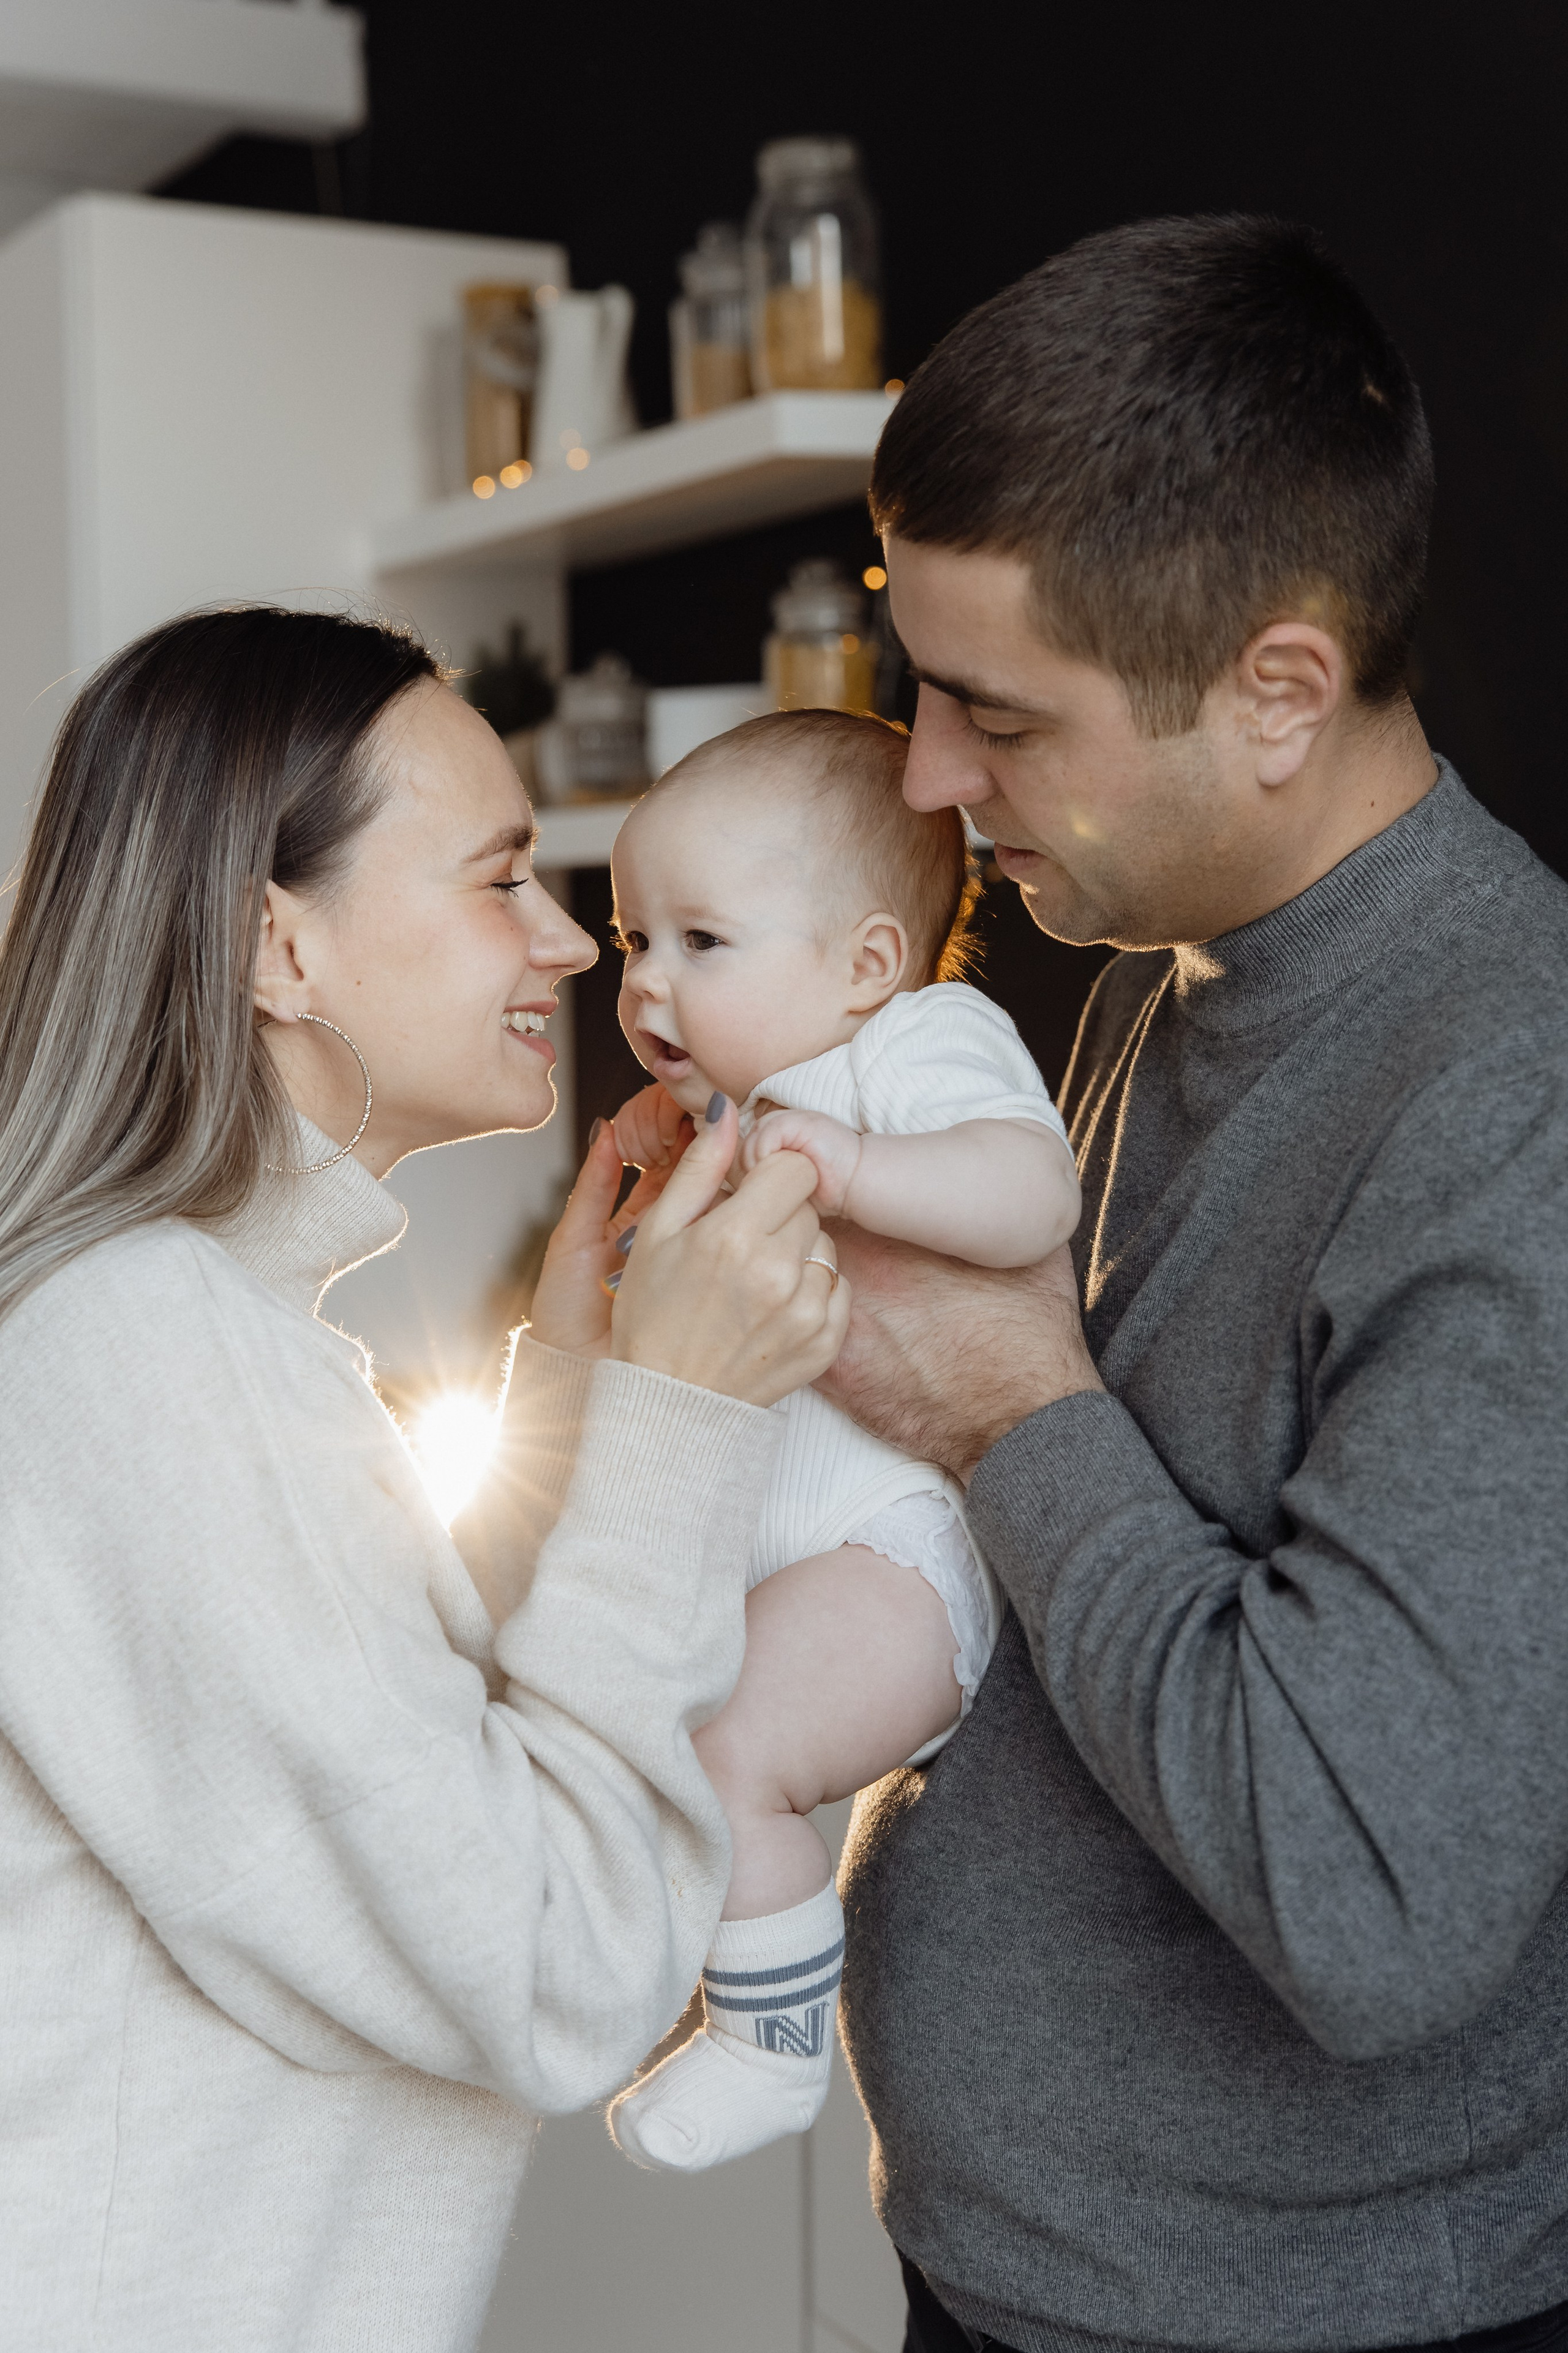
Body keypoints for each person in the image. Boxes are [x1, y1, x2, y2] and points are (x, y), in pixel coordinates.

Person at [815, 216, 1568, 2352]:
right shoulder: (1183, 964)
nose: (927, 780)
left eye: (995, 716)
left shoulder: (1515, 1095)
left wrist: (1008, 1410)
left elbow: (1375, 1891)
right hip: (1041, 2278)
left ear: (1278, 693)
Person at [0, 605, 848, 2353]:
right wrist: (682, 1430)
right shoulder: (141, 1348)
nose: (564, 942)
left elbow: (377, 1773)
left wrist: (578, 1400)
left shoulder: (182, 1329)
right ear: (275, 948)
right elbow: (543, 1959)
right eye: (501, 878)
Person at [594, 708, 1078, 2172]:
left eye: (699, 942)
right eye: (630, 940)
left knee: (723, 1744)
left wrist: (858, 1167)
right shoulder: (741, 1110)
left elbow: (1026, 1196)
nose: (643, 984)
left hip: (902, 1561)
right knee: (660, 1725)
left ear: (865, 963)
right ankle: (733, 1986)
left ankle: (768, 2046)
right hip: (798, 1560)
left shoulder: (914, 1045)